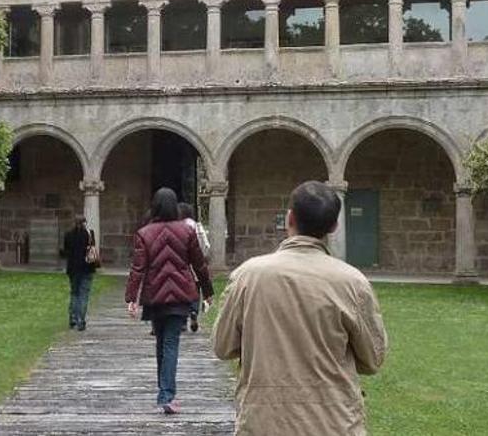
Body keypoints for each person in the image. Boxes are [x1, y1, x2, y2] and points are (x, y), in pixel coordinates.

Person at [213, 181, 387, 436]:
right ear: (334, 226)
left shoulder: (249, 276)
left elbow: (223, 346)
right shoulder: (352, 282)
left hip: (264, 422)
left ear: (290, 219)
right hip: (334, 423)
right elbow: (373, 358)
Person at [126, 188, 214, 415]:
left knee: (161, 343)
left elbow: (138, 268)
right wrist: (207, 290)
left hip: (155, 295)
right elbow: (199, 264)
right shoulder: (186, 231)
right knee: (170, 343)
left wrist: (131, 298)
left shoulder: (144, 233)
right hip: (179, 294)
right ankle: (167, 395)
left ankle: (164, 392)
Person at [59, 216, 96, 331]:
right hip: (87, 267)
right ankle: (81, 320)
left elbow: (65, 252)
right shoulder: (89, 234)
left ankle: (73, 318)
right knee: (83, 295)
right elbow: (92, 249)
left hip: (73, 268)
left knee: (74, 293)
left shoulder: (68, 234)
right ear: (85, 223)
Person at [179, 202, 210, 333]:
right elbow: (206, 246)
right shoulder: (197, 226)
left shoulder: (178, 227)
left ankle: (182, 319)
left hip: (181, 264)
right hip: (196, 264)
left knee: (181, 291)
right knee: (195, 291)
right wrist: (202, 256)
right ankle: (193, 312)